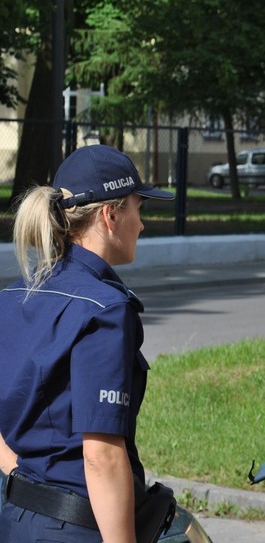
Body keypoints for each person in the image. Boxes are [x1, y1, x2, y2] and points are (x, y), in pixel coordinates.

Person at [0, 144, 174, 542]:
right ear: (111, 215)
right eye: (139, 210)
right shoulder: (106, 308)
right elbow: (101, 456)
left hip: (16, 521)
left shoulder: (13, 295)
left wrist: (21, 474)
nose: (142, 226)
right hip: (76, 527)